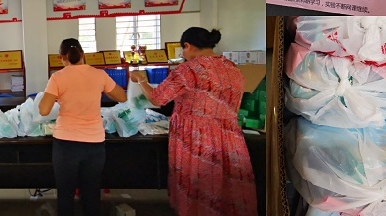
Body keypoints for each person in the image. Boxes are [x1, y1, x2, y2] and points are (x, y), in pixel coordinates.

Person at [129, 27, 257, 216]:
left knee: (200, 185)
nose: (183, 54)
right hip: (229, 136)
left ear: (187, 46)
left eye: (183, 49)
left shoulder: (188, 70)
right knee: (226, 184)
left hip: (197, 138)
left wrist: (141, 80)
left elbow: (157, 98)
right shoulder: (232, 68)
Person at [39, 38, 127, 216]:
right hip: (94, 143)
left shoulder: (57, 77)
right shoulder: (99, 75)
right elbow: (122, 97)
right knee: (91, 193)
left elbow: (43, 110)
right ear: (82, 55)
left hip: (66, 144)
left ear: (61, 57)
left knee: (65, 194)